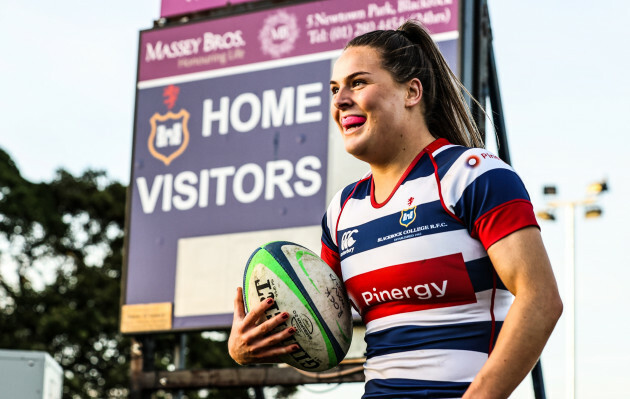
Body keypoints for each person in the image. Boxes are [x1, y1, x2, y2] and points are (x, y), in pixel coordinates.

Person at [229, 20, 562, 399]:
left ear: (411, 92)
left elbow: (541, 299)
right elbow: (323, 327)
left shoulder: (473, 175)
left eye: (358, 83)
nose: (340, 101)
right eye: (335, 89)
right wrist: (246, 346)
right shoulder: (341, 211)